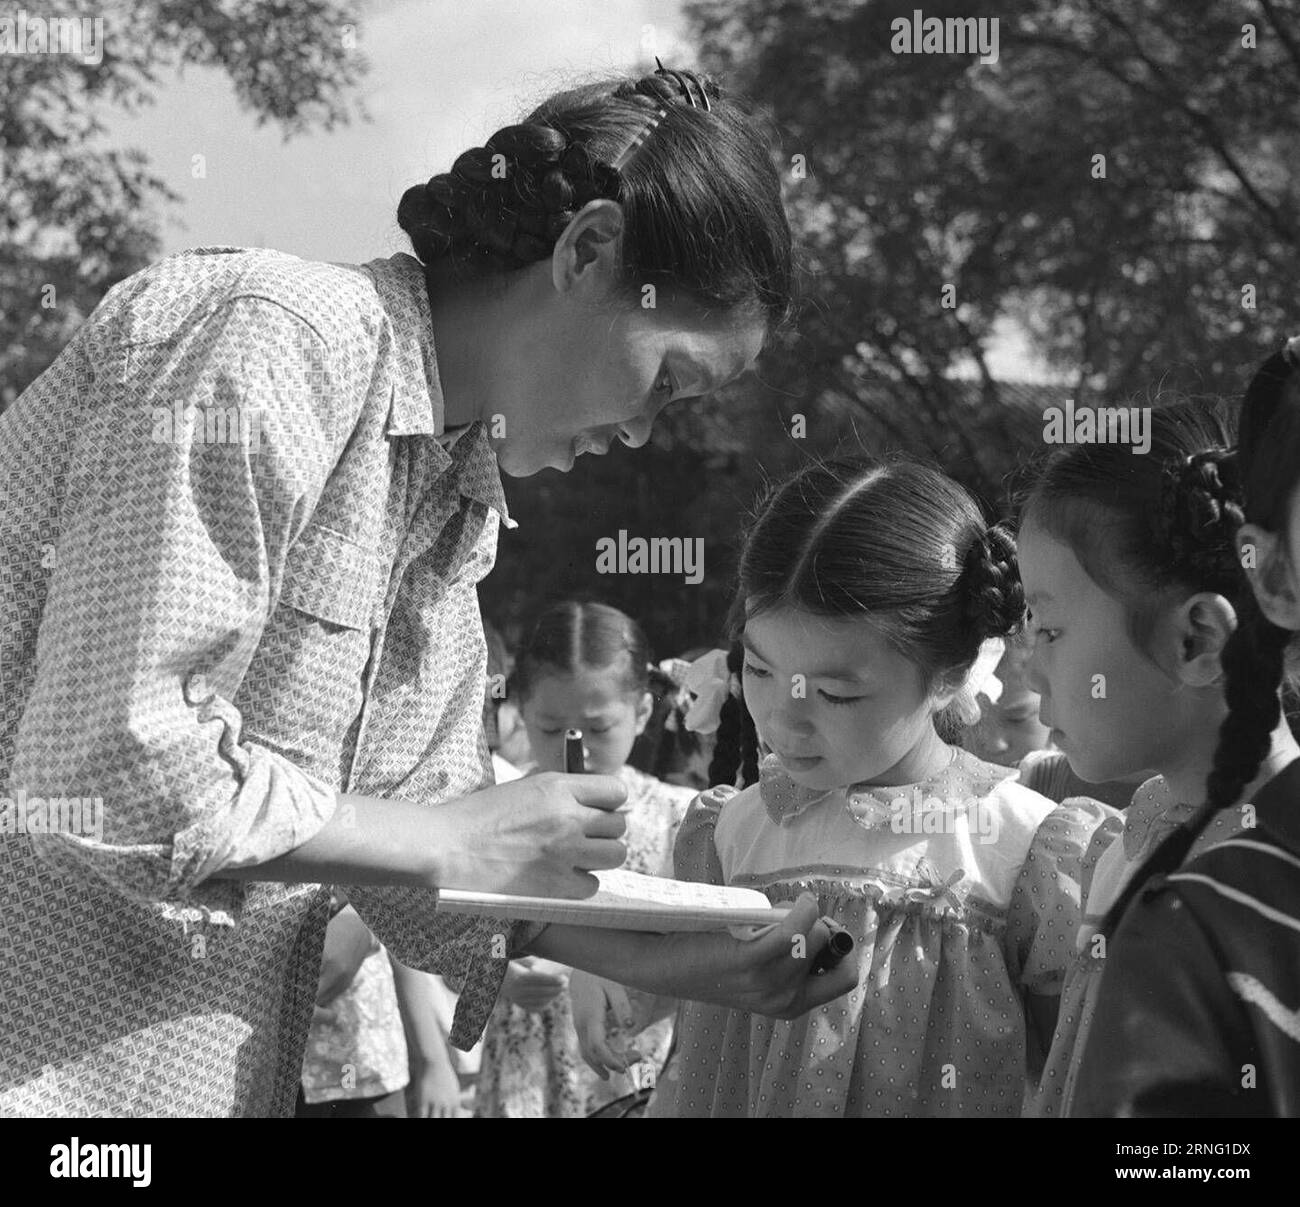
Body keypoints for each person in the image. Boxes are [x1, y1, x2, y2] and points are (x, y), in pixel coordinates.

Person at [0, 64, 854, 1117]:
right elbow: (113, 752)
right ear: (586, 251)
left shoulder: (453, 503)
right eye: (666, 380)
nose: (641, 431)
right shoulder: (273, 339)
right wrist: (450, 837)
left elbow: (418, 838)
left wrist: (688, 954)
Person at [575, 457, 1112, 1117]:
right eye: (762, 671)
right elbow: (699, 1022)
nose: (783, 717)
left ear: (949, 671)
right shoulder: (733, 832)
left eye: (835, 692)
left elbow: (1078, 1074)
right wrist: (619, 979)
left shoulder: (1022, 849)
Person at [1012, 396, 1300, 1116]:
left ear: (1196, 639)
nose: (1026, 667)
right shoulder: (1141, 821)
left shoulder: (1271, 883)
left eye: (1047, 629)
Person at [475, 602, 694, 1117]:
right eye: (553, 729)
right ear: (522, 709)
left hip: (635, 1067)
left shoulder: (679, 819)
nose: (578, 749)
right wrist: (495, 974)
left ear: (642, 712)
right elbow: (446, 936)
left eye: (598, 730)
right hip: (524, 1070)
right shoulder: (492, 814)